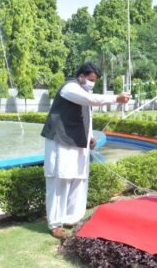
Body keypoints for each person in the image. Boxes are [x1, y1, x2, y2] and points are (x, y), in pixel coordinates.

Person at [41, 62, 130, 239]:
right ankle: (55, 224)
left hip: (77, 143)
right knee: (60, 181)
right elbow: (90, 100)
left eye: (94, 81)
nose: (92, 83)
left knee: (78, 180)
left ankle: (72, 218)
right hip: (61, 142)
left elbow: (85, 117)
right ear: (81, 76)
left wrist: (90, 137)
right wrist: (116, 98)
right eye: (90, 80)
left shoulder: (83, 92)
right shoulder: (69, 88)